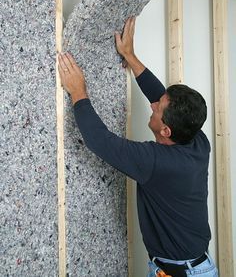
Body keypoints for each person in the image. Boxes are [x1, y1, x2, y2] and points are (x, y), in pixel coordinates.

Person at [58, 17, 218, 277]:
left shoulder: (157, 162)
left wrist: (78, 91)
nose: (153, 104)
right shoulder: (197, 140)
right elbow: (159, 95)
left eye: (158, 108)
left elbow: (99, 140)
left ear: (166, 131)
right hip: (181, 267)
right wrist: (130, 56)